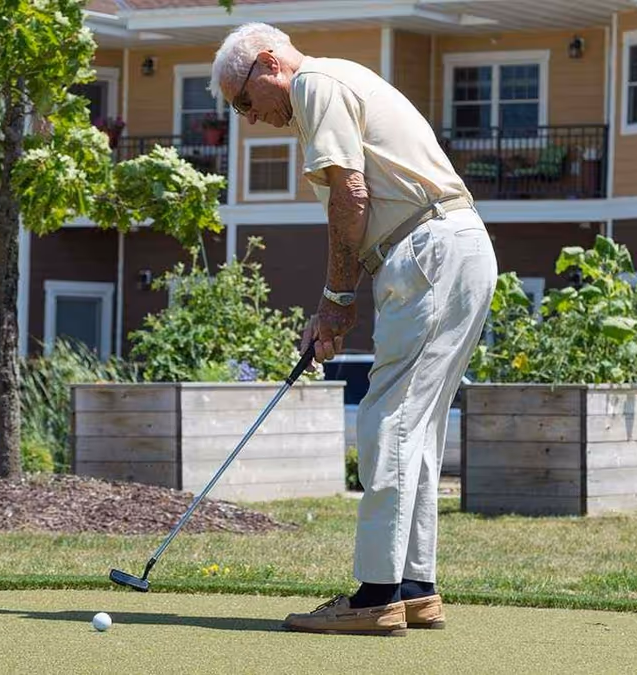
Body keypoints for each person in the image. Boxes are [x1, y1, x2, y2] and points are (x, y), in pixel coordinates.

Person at [211, 23, 498, 636]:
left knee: (387, 418)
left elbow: (351, 193)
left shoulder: (315, 83)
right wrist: (339, 297)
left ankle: (375, 595)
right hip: (458, 246)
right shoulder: (339, 79)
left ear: (269, 64)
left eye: (242, 102)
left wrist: (337, 301)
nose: (249, 120)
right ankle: (416, 588)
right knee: (415, 425)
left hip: (427, 248)